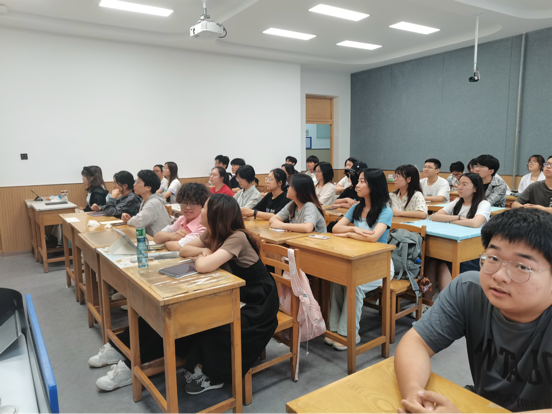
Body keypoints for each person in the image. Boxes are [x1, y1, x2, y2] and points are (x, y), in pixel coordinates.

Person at [395, 208, 552, 414]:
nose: (499, 275)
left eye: (522, 267)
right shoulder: (470, 290)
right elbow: (416, 342)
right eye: (493, 258)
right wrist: (414, 394)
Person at [178, 194, 279, 394]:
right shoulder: (212, 233)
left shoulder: (237, 237)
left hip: (259, 301)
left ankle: (216, 375)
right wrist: (203, 252)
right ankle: (200, 364)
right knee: (201, 318)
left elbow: (203, 266)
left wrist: (203, 255)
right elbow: (184, 249)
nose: (201, 211)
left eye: (205, 207)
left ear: (216, 214)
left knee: (219, 326)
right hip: (238, 294)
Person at [330, 168, 394, 350]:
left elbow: (373, 238)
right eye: (358, 181)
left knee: (356, 285)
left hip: (380, 264)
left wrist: (349, 234)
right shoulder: (356, 207)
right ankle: (334, 329)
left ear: (374, 185)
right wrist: (354, 229)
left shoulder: (385, 211)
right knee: (337, 279)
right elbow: (335, 229)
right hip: (358, 260)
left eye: (362, 181)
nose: (357, 185)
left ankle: (348, 334)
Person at [423, 173, 490, 299]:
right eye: (459, 184)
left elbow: (475, 223)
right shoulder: (457, 202)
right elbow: (435, 216)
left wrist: (451, 220)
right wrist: (458, 218)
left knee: (443, 265)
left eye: (465, 184)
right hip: (452, 247)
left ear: (475, 189)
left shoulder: (483, 204)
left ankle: (445, 304)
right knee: (431, 262)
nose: (460, 187)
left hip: (471, 253)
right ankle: (426, 302)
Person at [153, 183, 210, 251]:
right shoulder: (182, 219)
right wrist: (172, 236)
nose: (187, 207)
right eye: (184, 203)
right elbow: (156, 238)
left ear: (203, 205)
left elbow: (177, 247)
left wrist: (165, 241)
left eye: (193, 204)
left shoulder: (204, 224)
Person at [122, 170, 170, 237]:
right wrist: (132, 219)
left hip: (159, 240)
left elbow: (138, 222)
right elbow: (140, 219)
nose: (134, 184)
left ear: (148, 188)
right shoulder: (147, 200)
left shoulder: (152, 203)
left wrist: (130, 220)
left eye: (138, 182)